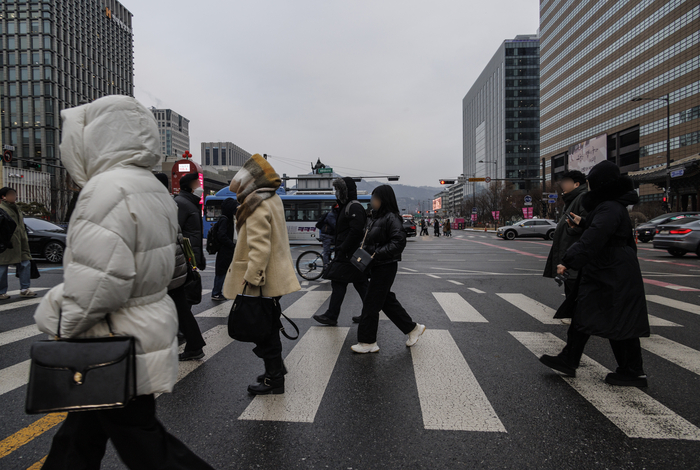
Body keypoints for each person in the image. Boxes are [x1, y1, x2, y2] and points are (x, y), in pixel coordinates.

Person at [34, 96, 214, 469]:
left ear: (95, 138)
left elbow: (102, 282)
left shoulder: (105, 191)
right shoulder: (150, 189)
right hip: (136, 330)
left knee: (142, 443)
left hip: (111, 339)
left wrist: (59, 320)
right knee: (78, 440)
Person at [539, 160, 650, 387]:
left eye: (590, 183)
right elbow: (600, 228)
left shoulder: (609, 207)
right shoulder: (610, 206)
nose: (588, 187)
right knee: (585, 313)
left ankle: (632, 371)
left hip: (612, 273)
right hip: (607, 271)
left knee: (618, 322)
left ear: (599, 184)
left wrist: (568, 261)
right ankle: (569, 359)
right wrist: (584, 222)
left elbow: (596, 237)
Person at [223, 154, 301, 395]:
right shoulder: (272, 199)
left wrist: (252, 277)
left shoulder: (255, 204)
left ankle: (274, 378)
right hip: (274, 277)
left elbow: (259, 246)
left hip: (261, 280)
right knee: (268, 327)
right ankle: (274, 370)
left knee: (262, 331)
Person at [352, 185, 426, 353]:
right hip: (376, 264)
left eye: (375, 199)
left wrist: (377, 253)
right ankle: (413, 328)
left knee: (371, 304)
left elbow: (399, 241)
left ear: (383, 200)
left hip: (385, 265)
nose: (372, 202)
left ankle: (368, 342)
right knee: (386, 301)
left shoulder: (391, 218)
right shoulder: (377, 217)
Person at [155, 173, 207, 361]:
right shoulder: (172, 204)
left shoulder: (158, 205)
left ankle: (188, 344)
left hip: (168, 264)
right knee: (180, 307)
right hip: (176, 262)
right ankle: (193, 343)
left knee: (176, 307)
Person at [313, 177, 369, 326]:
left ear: (345, 191)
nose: (336, 193)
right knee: (359, 284)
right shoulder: (348, 206)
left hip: (348, 254)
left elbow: (356, 231)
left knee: (340, 282)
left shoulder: (354, 207)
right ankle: (368, 313)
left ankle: (332, 315)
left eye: (338, 190)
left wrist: (343, 247)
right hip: (348, 254)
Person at [543, 170, 588, 325]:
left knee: (576, 287)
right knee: (571, 287)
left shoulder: (581, 199)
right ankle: (577, 316)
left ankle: (579, 317)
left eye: (566, 181)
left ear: (577, 184)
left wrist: (573, 228)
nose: (562, 185)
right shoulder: (572, 200)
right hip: (570, 253)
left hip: (575, 254)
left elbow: (587, 225)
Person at [0, 187, 36, 299]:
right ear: (3, 197)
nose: (14, 197)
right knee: (2, 266)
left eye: (14, 194)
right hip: (7, 243)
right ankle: (1, 291)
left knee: (25, 263)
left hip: (21, 241)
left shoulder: (17, 208)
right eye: (11, 194)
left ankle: (25, 289)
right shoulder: (1, 209)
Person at [174, 172, 206, 271]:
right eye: (197, 184)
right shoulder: (182, 203)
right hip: (186, 256)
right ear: (189, 187)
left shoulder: (191, 203)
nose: (200, 187)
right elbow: (176, 230)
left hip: (191, 256)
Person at [212, 198, 238, 301]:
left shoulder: (226, 218)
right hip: (225, 250)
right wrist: (232, 245)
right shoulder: (225, 219)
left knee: (224, 271)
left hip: (226, 249)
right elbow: (221, 235)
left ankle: (220, 292)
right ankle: (216, 293)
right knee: (222, 272)